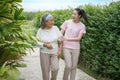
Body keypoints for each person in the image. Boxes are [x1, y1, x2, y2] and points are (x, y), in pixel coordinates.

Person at [60, 8, 88, 80]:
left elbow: (78, 38)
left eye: (75, 14)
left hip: (76, 48)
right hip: (66, 47)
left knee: (74, 66)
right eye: (72, 13)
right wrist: (60, 37)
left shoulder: (82, 26)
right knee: (68, 66)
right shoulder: (67, 22)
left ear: (79, 16)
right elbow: (61, 33)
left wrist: (66, 38)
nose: (73, 15)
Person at [36, 14, 62, 80]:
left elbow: (61, 40)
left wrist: (60, 51)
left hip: (54, 52)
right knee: (45, 72)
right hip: (44, 52)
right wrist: (45, 45)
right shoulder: (40, 31)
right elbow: (36, 42)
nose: (53, 22)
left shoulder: (55, 28)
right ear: (46, 22)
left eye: (53, 20)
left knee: (55, 68)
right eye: (51, 20)